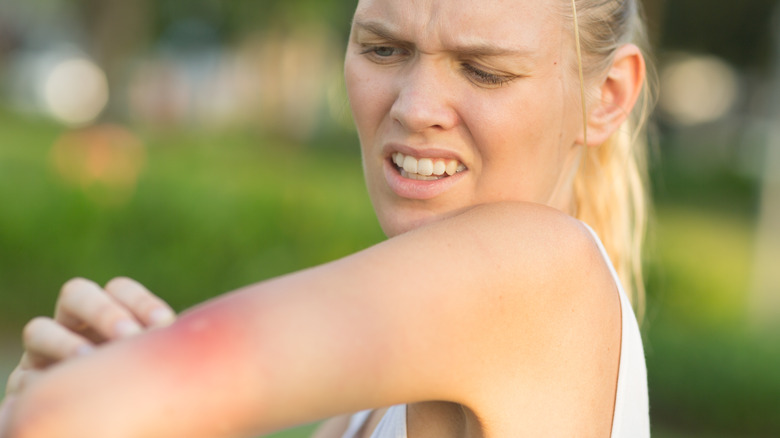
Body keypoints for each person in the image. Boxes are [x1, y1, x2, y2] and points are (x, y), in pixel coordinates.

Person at [0, 0, 654, 436]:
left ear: (608, 96)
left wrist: (68, 399)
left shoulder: (539, 267)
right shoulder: (364, 410)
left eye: (484, 71)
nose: (415, 106)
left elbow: (64, 415)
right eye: (383, 51)